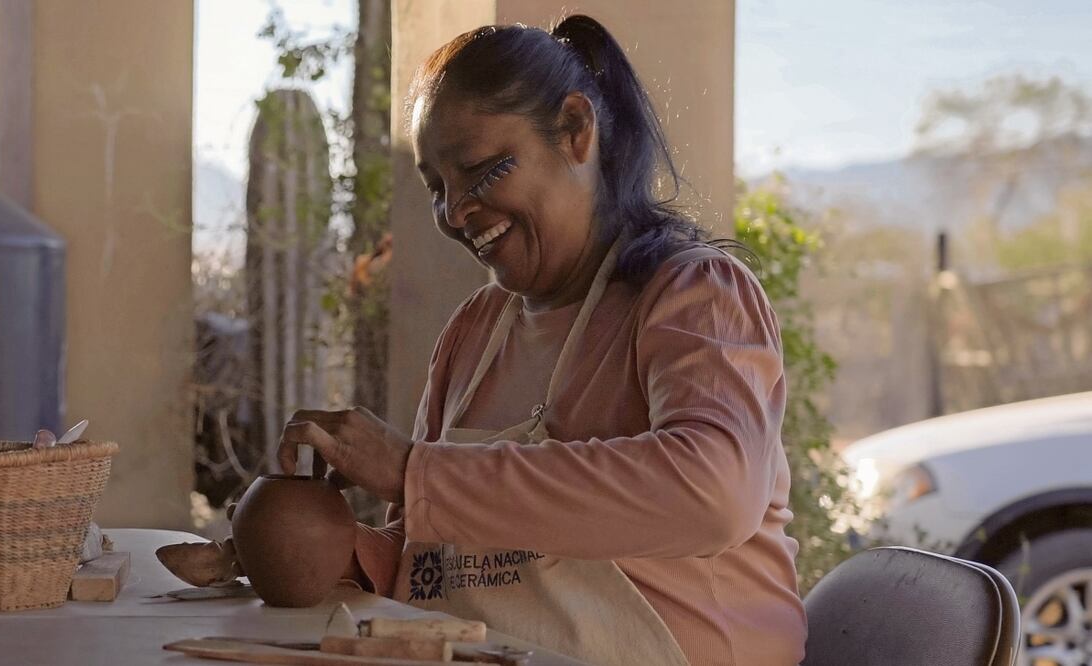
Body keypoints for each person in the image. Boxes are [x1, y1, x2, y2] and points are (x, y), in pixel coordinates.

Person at [277, 15, 806, 666]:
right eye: (437, 188)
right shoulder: (474, 332)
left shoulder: (695, 294)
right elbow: (435, 564)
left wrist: (414, 471)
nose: (454, 212)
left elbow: (714, 494)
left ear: (576, 130)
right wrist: (316, 551)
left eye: (481, 171)